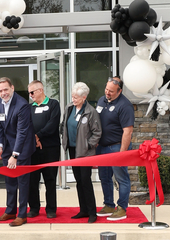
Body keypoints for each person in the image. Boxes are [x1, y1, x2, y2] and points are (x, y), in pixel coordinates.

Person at [0, 77, 36, 227]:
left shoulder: (22, 105)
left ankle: (22, 215)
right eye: (0, 91)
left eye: (6, 89)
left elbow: (22, 132)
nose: (3, 93)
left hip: (22, 148)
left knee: (22, 182)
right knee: (10, 181)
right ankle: (10, 210)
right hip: (7, 147)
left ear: (12, 88)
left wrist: (15, 155)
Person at [61, 82, 102, 223]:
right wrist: (63, 136)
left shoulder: (91, 112)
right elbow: (64, 125)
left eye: (76, 97)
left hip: (85, 152)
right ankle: (83, 210)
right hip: (72, 150)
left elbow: (97, 133)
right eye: (73, 96)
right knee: (78, 181)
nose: (73, 99)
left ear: (84, 97)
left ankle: (92, 212)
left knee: (85, 181)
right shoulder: (69, 108)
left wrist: (87, 145)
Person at [96, 76, 134, 221]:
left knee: (121, 178)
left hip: (117, 147)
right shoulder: (101, 100)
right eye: (106, 89)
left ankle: (122, 208)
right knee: (104, 177)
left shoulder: (125, 105)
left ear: (119, 91)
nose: (107, 93)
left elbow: (128, 131)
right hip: (102, 147)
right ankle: (109, 204)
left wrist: (122, 153)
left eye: (111, 91)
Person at [26, 80, 60, 219]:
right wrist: (34, 139)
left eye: (32, 92)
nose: (31, 95)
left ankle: (51, 209)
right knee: (32, 180)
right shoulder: (29, 108)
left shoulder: (53, 104)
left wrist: (38, 136)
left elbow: (52, 124)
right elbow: (26, 125)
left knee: (50, 179)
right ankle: (34, 207)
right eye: (29, 93)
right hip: (33, 149)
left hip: (50, 149)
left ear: (40, 90)